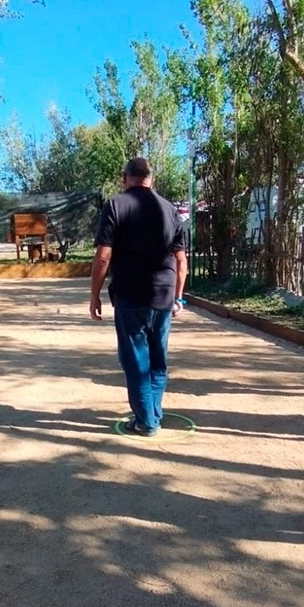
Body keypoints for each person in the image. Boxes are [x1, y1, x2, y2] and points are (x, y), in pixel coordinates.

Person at [89, 157, 189, 437]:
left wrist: (94, 295)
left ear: (125, 178)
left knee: (136, 360)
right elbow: (182, 262)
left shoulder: (115, 205)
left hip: (131, 294)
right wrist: (179, 297)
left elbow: (103, 256)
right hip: (164, 294)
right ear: (151, 179)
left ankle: (147, 420)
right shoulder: (171, 211)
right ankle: (152, 413)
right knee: (158, 359)